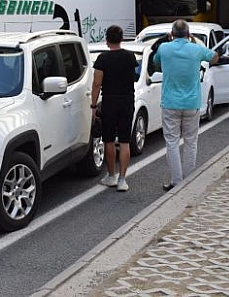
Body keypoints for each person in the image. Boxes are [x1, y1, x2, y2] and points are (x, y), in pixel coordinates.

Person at [153, 19, 218, 191]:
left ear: (172, 34)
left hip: (170, 103)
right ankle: (189, 180)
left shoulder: (164, 48)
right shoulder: (196, 49)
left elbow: (155, 61)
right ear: (189, 34)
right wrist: (194, 41)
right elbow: (215, 56)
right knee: (191, 141)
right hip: (192, 103)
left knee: (172, 142)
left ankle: (176, 180)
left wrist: (168, 41)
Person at [91, 25, 138, 192]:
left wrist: (93, 105)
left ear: (106, 40)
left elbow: (97, 84)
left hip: (109, 102)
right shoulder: (130, 57)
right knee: (125, 141)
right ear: (122, 38)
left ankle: (111, 176)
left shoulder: (102, 59)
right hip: (127, 101)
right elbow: (133, 77)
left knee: (108, 140)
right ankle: (123, 180)